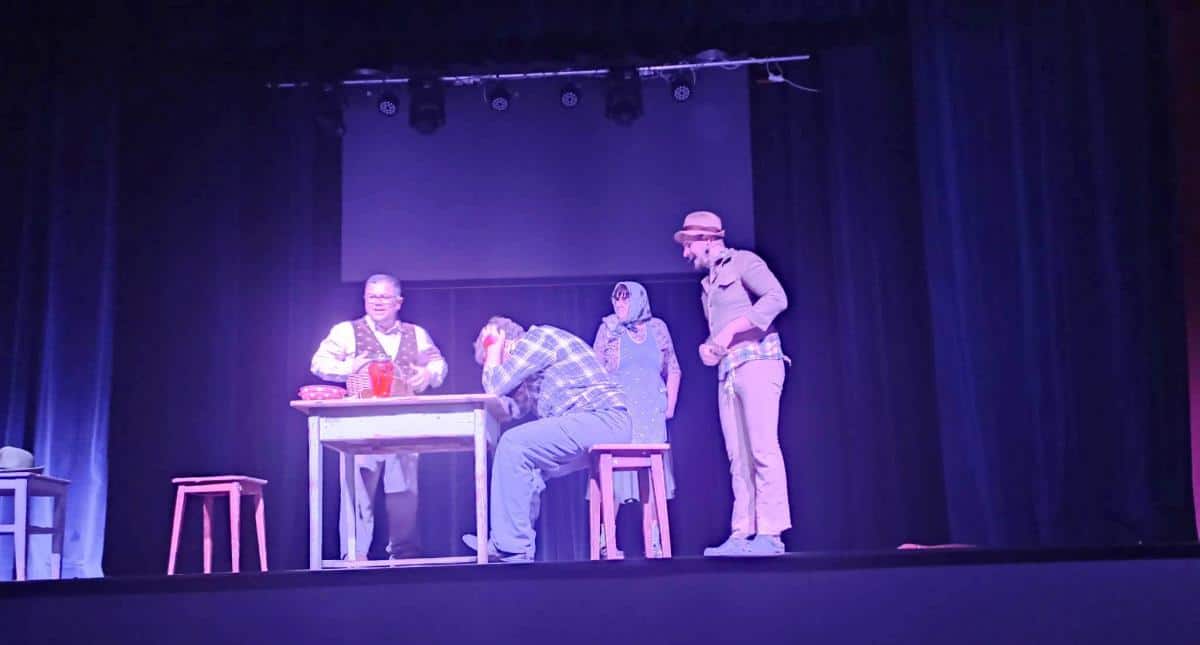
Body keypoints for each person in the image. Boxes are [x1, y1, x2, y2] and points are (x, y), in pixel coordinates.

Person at [463, 316, 631, 562]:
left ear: (505, 342)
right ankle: (515, 547)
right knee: (528, 464)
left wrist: (492, 349)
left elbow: (494, 384)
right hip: (589, 423)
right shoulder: (533, 369)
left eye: (497, 358)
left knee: (513, 444)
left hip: (603, 420)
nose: (497, 364)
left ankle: (512, 544)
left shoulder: (538, 338)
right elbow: (517, 408)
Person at [673, 210, 791, 557]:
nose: (685, 253)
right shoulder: (707, 285)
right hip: (730, 370)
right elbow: (721, 333)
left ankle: (770, 534)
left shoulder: (743, 262)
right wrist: (711, 347)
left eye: (689, 244)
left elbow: (777, 298)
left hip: (759, 361)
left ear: (708, 239)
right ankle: (742, 533)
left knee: (762, 449)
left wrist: (731, 330)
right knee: (737, 456)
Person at [310, 273, 447, 559]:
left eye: (384, 297)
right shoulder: (346, 331)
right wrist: (349, 367)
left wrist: (427, 374)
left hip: (404, 420)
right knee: (358, 488)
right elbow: (319, 363)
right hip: (361, 420)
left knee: (404, 491)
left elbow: (438, 364)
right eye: (372, 297)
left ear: (398, 302)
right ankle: (355, 553)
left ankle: (404, 552)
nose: (377, 302)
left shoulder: (416, 334)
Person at [592, 281, 680, 555]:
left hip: (651, 413)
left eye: (625, 299)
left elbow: (674, 368)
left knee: (652, 481)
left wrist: (669, 406)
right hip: (621, 412)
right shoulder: (609, 328)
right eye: (616, 299)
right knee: (613, 477)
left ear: (639, 300)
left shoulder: (657, 328)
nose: (620, 304)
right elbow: (594, 372)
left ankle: (654, 543)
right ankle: (607, 542)